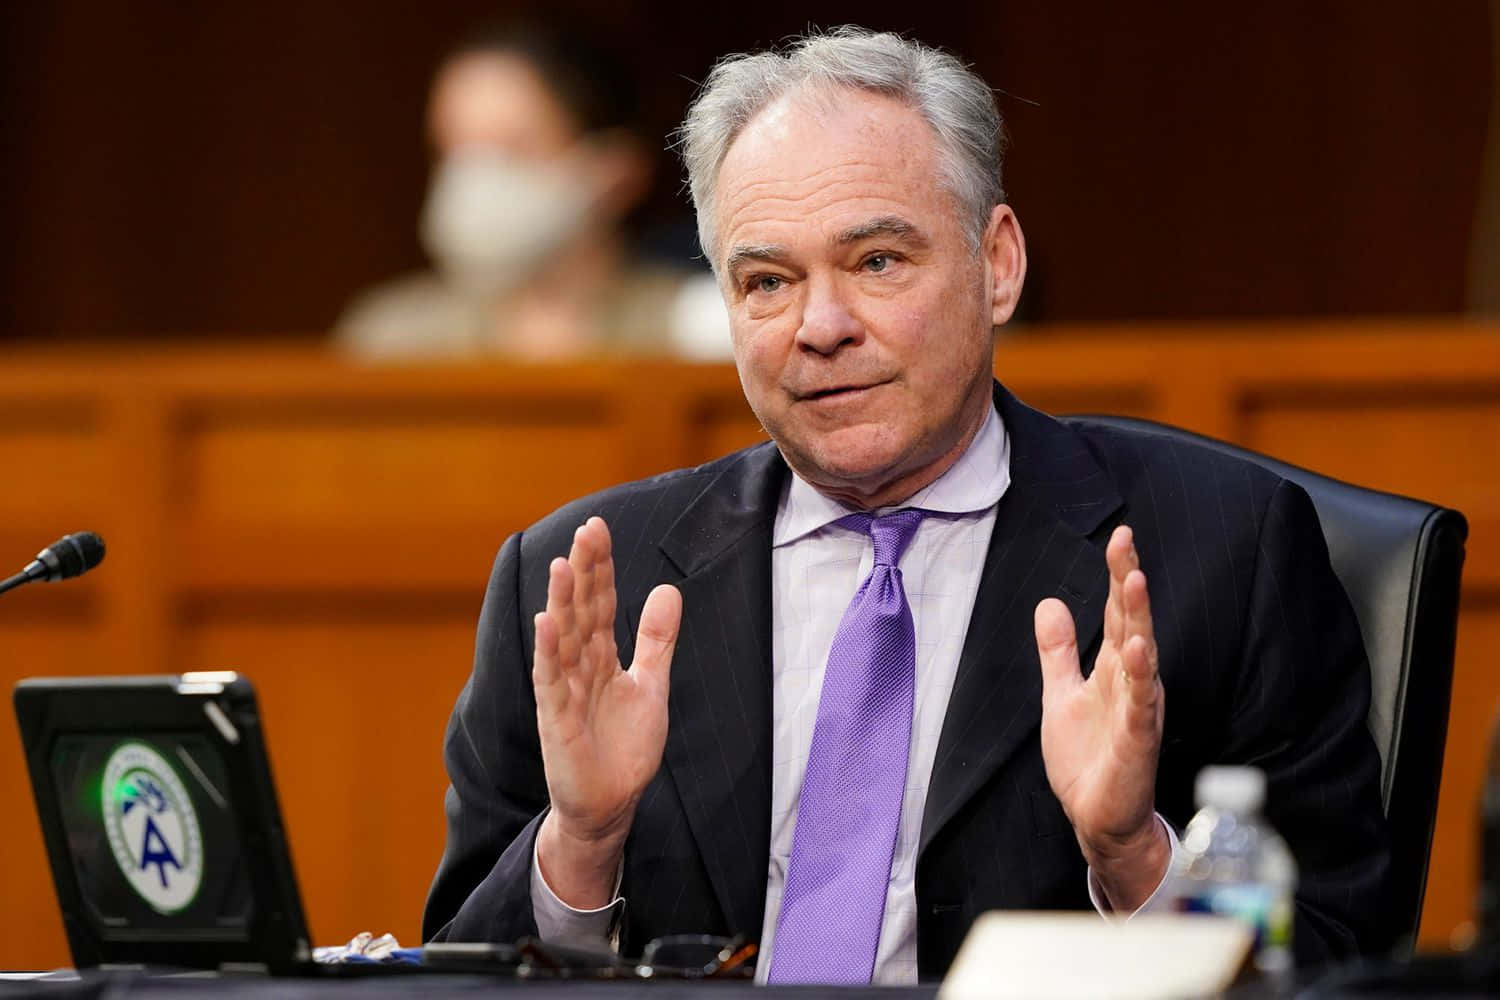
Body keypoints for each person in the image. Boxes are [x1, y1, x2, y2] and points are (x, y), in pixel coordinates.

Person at [422, 27, 1391, 983]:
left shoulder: (1224, 552)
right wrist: (582, 843)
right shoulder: (588, 584)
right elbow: (453, 974)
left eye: (878, 261)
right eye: (768, 281)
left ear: (997, 264)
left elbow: (1339, 957)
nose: (822, 327)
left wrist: (1134, 856)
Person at [335, 22, 727, 360]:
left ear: (614, 170)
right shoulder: (390, 342)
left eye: (514, 147)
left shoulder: (696, 331)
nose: (474, 177)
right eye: (452, 148)